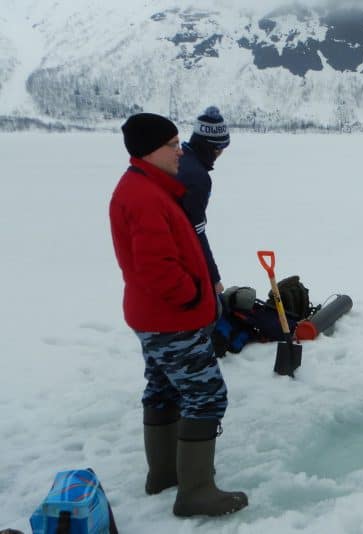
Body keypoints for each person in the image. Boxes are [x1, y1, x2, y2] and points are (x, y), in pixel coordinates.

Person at [109, 113, 248, 516]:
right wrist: (192, 298)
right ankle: (196, 492)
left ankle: (165, 475)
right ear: (149, 151)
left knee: (163, 389)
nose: (180, 150)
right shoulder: (145, 196)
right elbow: (157, 266)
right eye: (171, 144)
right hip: (170, 318)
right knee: (206, 396)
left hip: (153, 316)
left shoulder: (146, 186)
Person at [176, 106, 230, 295]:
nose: (221, 154)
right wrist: (213, 279)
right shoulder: (197, 177)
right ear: (211, 147)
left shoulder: (180, 161)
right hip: (176, 262)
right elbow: (194, 234)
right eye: (221, 148)